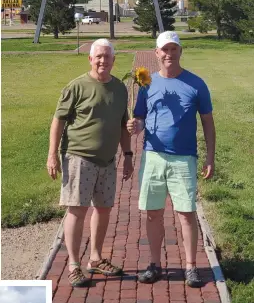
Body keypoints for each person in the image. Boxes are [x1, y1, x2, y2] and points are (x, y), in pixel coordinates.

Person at [127, 31, 215, 288]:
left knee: (186, 213)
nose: (169, 54)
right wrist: (136, 126)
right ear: (156, 53)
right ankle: (154, 264)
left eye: (173, 49)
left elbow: (208, 123)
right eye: (164, 50)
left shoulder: (196, 84)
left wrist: (210, 156)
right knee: (153, 213)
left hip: (184, 159)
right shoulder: (146, 85)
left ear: (180, 51)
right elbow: (141, 118)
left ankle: (191, 267)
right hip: (153, 156)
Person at [46, 38, 133, 287]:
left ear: (114, 60)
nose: (103, 61)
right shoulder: (76, 86)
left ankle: (95, 258)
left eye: (107, 57)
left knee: (104, 209)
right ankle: (73, 264)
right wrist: (52, 155)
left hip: (107, 161)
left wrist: (127, 155)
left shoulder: (120, 88)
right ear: (90, 59)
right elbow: (58, 121)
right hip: (78, 157)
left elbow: (122, 124)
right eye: (99, 57)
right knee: (77, 210)